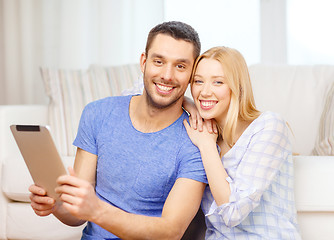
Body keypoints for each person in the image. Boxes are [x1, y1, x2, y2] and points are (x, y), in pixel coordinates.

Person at [29, 21, 208, 239]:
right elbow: (77, 215)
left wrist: (97, 210)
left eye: (180, 66)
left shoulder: (197, 141)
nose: (167, 75)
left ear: (192, 73)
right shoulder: (98, 114)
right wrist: (56, 206)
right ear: (143, 62)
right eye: (159, 61)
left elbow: (171, 231)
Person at [183, 46, 301, 239]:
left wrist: (206, 146)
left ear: (237, 87)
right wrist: (186, 101)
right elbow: (142, 90)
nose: (204, 92)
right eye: (198, 81)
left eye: (218, 82)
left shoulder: (269, 126)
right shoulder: (200, 130)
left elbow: (233, 212)